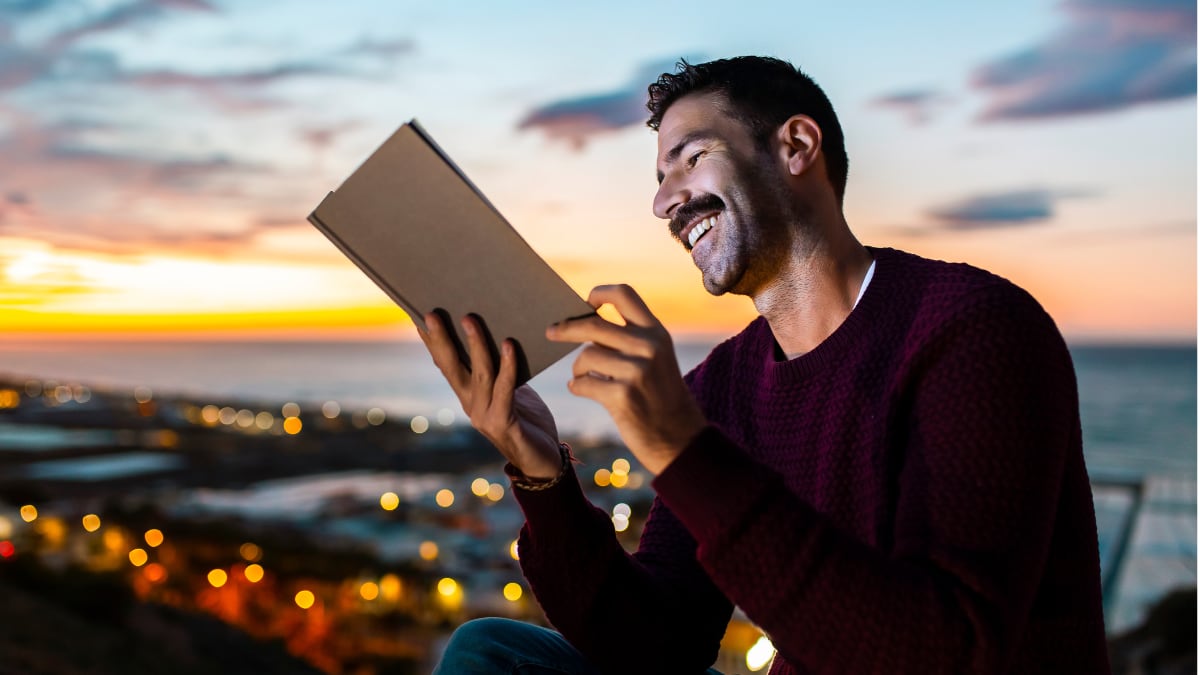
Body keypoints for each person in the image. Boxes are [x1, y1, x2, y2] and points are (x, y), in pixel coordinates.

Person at [425, 56, 1111, 675]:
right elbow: (660, 646)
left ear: (796, 146)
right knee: (491, 654)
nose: (664, 202)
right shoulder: (722, 386)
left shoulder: (975, 329)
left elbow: (946, 652)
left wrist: (682, 449)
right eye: (661, 179)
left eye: (691, 158)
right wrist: (543, 475)